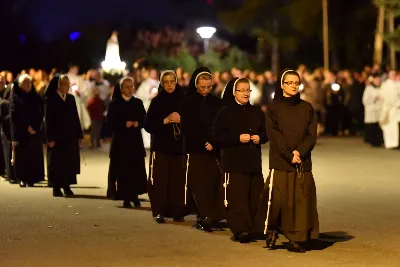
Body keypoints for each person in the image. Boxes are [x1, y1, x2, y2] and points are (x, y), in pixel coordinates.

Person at [257, 69, 319, 253]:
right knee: (278, 202)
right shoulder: (273, 109)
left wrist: (299, 152)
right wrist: (288, 153)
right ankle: (273, 229)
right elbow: (274, 135)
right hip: (281, 162)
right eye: (289, 83)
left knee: (300, 202)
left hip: (302, 162)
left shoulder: (307, 108)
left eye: (296, 83)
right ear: (282, 85)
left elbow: (311, 134)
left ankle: (296, 238)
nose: (293, 86)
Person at [213, 77, 268, 243]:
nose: (245, 93)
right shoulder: (225, 112)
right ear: (234, 92)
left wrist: (260, 138)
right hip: (234, 162)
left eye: (247, 90)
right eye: (241, 90)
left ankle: (254, 228)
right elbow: (217, 136)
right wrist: (237, 138)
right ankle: (240, 229)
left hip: (253, 162)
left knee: (254, 197)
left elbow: (266, 133)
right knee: (237, 198)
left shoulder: (257, 112)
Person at [180, 67, 224, 231]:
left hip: (213, 151)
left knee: (212, 183)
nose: (205, 90)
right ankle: (203, 214)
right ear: (196, 85)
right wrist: (203, 142)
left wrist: (213, 141)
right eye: (202, 87)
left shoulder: (216, 102)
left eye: (208, 87)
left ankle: (213, 214)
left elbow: (219, 125)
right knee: (198, 184)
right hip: (196, 149)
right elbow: (188, 127)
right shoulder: (188, 102)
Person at [145, 70, 186, 223]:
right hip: (161, 147)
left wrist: (180, 119)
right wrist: (164, 122)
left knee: (177, 181)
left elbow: (192, 122)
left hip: (178, 147)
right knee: (160, 181)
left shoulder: (183, 99)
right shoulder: (157, 101)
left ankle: (177, 211)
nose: (169, 85)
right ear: (162, 84)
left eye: (172, 82)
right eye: (166, 82)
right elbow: (148, 124)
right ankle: (159, 211)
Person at [106, 77, 147, 208]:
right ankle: (125, 197)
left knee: (135, 170)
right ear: (121, 89)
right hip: (121, 143)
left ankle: (134, 196)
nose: (130, 89)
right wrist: (124, 124)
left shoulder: (138, 103)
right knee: (123, 171)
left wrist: (138, 123)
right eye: (127, 87)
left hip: (135, 142)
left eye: (132, 86)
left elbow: (145, 120)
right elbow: (109, 123)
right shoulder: (115, 104)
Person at [45, 74, 83, 197]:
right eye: (65, 84)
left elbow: (75, 118)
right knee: (56, 162)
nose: (68, 86)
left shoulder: (71, 99)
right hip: (56, 137)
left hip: (70, 136)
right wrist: (49, 138)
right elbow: (48, 120)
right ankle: (56, 187)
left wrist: (79, 135)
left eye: (68, 84)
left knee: (68, 162)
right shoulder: (50, 99)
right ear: (59, 85)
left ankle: (67, 186)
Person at [10, 74, 45, 187]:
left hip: (34, 130)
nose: (28, 85)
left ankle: (31, 178)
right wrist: (27, 127)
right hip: (20, 131)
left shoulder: (34, 97)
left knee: (32, 155)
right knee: (21, 156)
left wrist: (34, 127)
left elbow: (40, 112)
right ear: (20, 85)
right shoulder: (15, 97)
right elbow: (15, 115)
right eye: (25, 83)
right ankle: (21, 178)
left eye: (30, 82)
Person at [362, 75, 383, 147]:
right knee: (371, 126)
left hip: (379, 110)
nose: (378, 82)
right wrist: (374, 99)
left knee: (378, 127)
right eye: (376, 80)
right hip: (371, 110)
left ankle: (378, 141)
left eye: (379, 81)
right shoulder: (369, 88)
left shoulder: (381, 88)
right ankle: (371, 140)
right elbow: (365, 100)